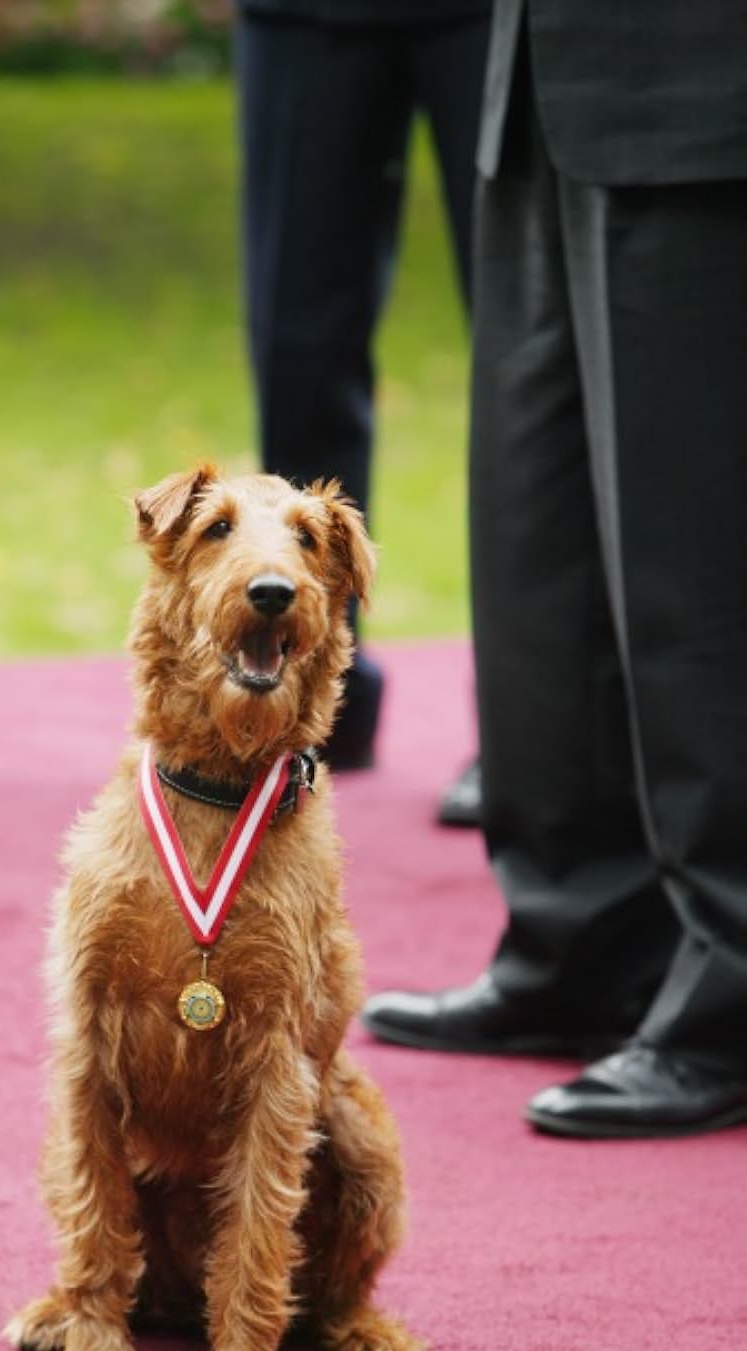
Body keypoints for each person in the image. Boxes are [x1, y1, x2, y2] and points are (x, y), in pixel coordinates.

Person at [364, 0, 747, 1139]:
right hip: (543, 71)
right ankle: (584, 943)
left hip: (700, 91)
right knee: (540, 547)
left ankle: (732, 989)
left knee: (691, 564)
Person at [234, 0, 490, 807]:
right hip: (304, 16)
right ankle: (305, 702)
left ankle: (535, 732)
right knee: (298, 351)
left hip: (499, 18)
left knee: (527, 353)